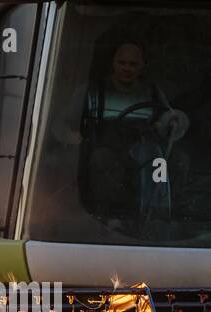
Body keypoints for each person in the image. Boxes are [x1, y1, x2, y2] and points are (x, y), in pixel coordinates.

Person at [81, 40, 189, 224]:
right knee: (102, 160)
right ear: (113, 63)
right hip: (107, 145)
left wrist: (175, 121)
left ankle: (159, 213)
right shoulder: (93, 90)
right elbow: (64, 125)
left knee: (174, 160)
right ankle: (109, 215)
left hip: (143, 146)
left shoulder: (153, 91)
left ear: (142, 66)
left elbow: (169, 119)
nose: (126, 68)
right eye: (122, 63)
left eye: (133, 64)